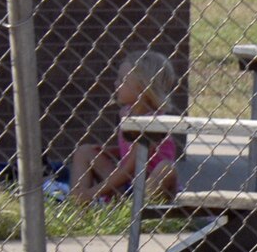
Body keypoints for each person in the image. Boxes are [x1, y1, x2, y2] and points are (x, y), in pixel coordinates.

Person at [70, 52, 183, 207]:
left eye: (122, 80)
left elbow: (133, 166)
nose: (116, 84)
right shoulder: (126, 113)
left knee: (166, 168)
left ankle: (142, 210)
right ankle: (77, 204)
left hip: (150, 187)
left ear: (143, 88)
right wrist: (111, 151)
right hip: (127, 186)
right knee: (84, 151)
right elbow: (131, 150)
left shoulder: (154, 122)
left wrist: (92, 192)